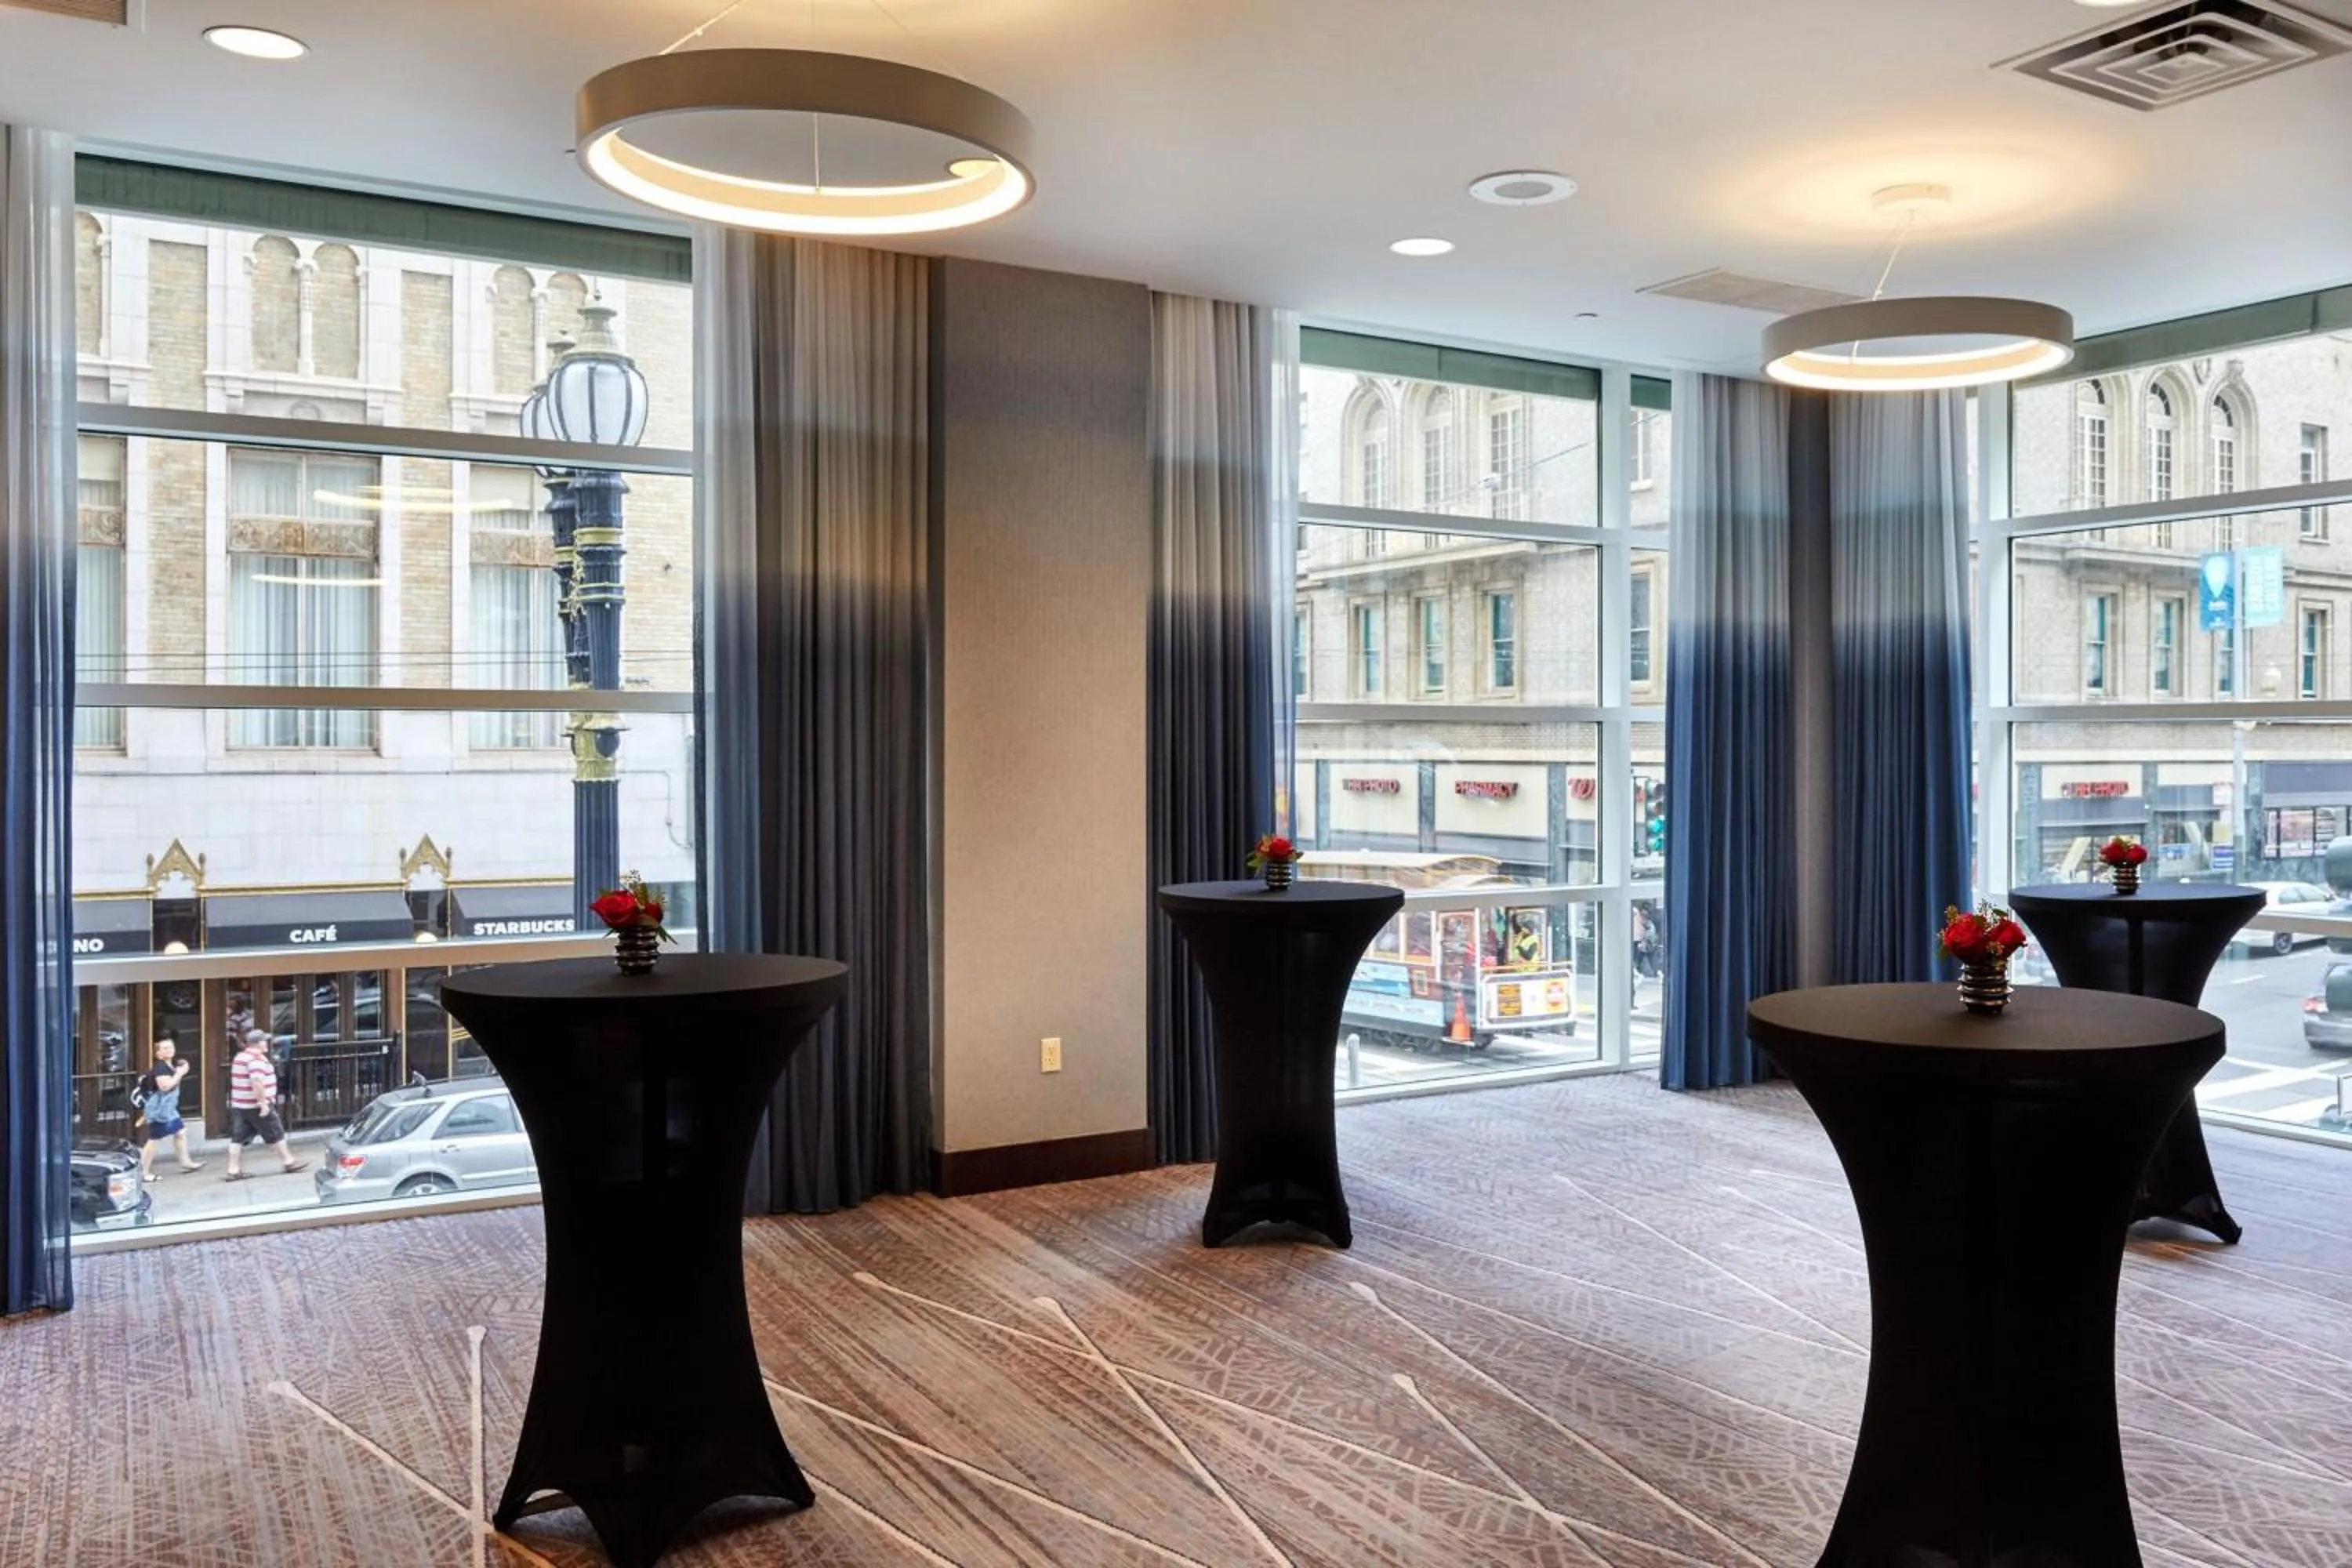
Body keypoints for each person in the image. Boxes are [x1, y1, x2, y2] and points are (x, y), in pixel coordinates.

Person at [224, 1029, 306, 1181]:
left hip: (240, 1105)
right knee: (276, 1132)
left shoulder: (240, 1057)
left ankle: (233, 1170)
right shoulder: (256, 1059)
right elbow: (256, 1081)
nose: (268, 1043)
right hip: (256, 1105)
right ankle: (289, 1162)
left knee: (238, 1138)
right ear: (259, 1043)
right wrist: (263, 1103)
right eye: (265, 1040)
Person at [135, 1035, 204, 1181]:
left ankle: (186, 1163)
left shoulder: (169, 1065)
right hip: (160, 1109)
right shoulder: (160, 1067)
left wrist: (179, 1070)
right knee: (154, 1139)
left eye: (171, 1047)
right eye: (164, 1048)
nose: (169, 1050)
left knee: (180, 1132)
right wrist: (180, 1073)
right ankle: (143, 1172)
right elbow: (165, 1087)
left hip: (169, 1108)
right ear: (158, 1053)